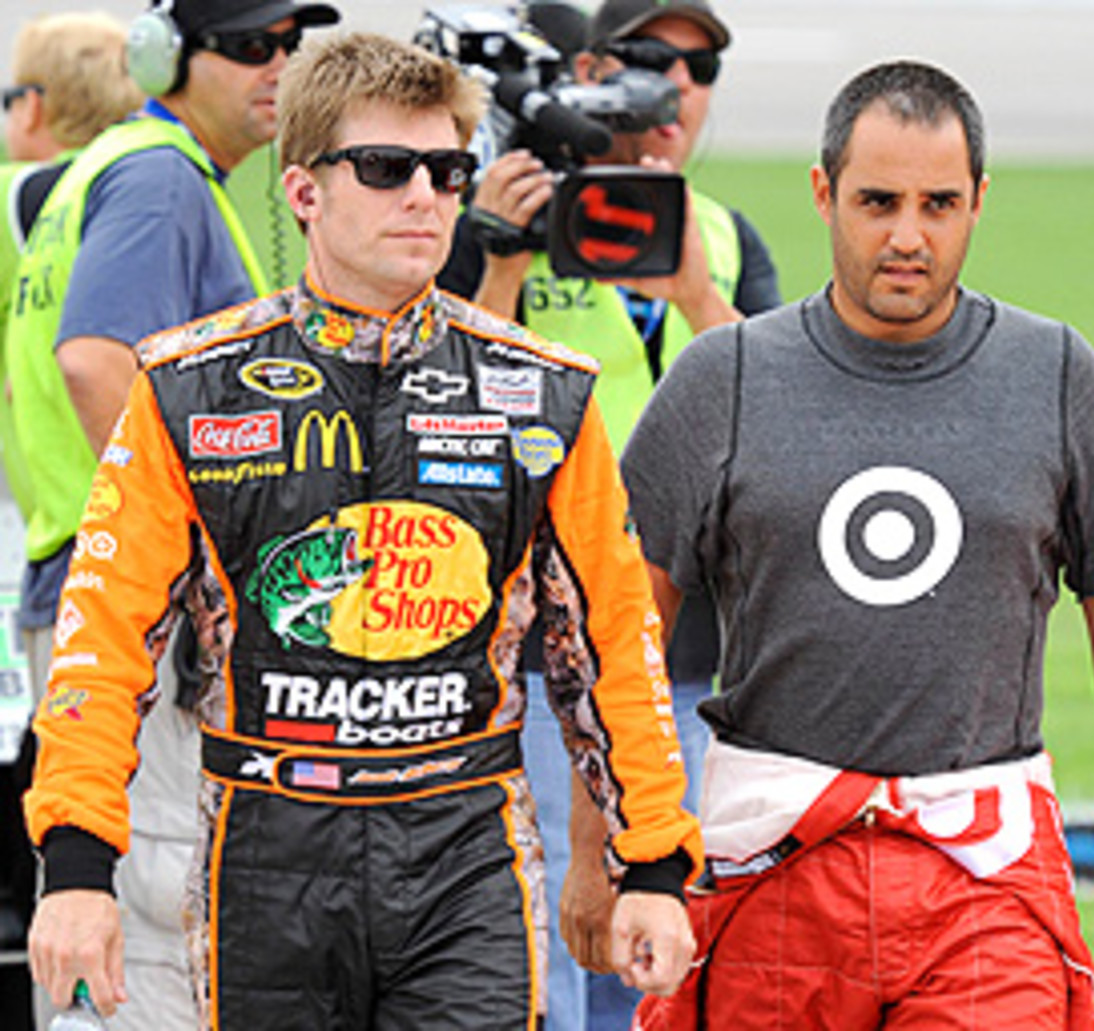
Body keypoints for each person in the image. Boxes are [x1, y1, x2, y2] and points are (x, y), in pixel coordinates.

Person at [23, 30, 702, 1030]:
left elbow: (611, 642)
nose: (424, 195)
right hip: (266, 854)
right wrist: (76, 866)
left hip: (466, 854)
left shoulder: (544, 393)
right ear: (304, 191)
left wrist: (649, 862)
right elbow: (102, 639)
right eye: (386, 168)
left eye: (447, 171)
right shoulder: (188, 387)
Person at [619, 59, 1094, 1029]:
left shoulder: (1055, 372)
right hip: (773, 866)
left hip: (983, 873)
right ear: (823, 192)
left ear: (979, 202)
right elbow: (627, 624)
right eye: (878, 202)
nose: (908, 237)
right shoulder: (725, 378)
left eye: (940, 204)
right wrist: (620, 842)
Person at [438, 1, 780, 1025]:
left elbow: (783, 427)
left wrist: (696, 297)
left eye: (700, 67)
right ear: (585, 73)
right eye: (648, 59)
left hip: (690, 646)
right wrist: (500, 257)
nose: (674, 88)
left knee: (675, 914)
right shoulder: (498, 215)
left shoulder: (722, 235)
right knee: (547, 906)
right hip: (535, 643)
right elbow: (443, 414)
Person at [4, 1, 340, 1027]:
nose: (278, 67)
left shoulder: (110, 171)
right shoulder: (159, 178)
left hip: (85, 584)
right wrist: (196, 556)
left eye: (291, 46)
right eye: (249, 47)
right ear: (166, 59)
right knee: (162, 921)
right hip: (140, 606)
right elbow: (95, 361)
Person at [0, 14, 143, 1030]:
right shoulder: (109, 191)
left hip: (60, 539)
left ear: (38, 105)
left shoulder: (39, 199)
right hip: (97, 548)